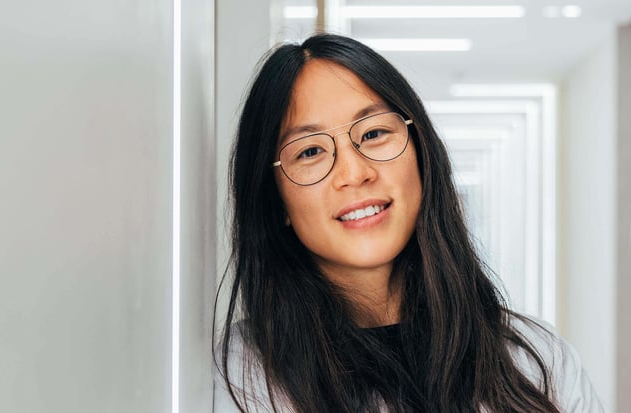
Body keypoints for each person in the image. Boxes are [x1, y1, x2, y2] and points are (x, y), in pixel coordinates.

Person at [213, 33, 604, 413]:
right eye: (310, 151)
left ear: (421, 153)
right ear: (275, 197)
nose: (354, 171)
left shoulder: (537, 362)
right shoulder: (236, 380)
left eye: (374, 133)